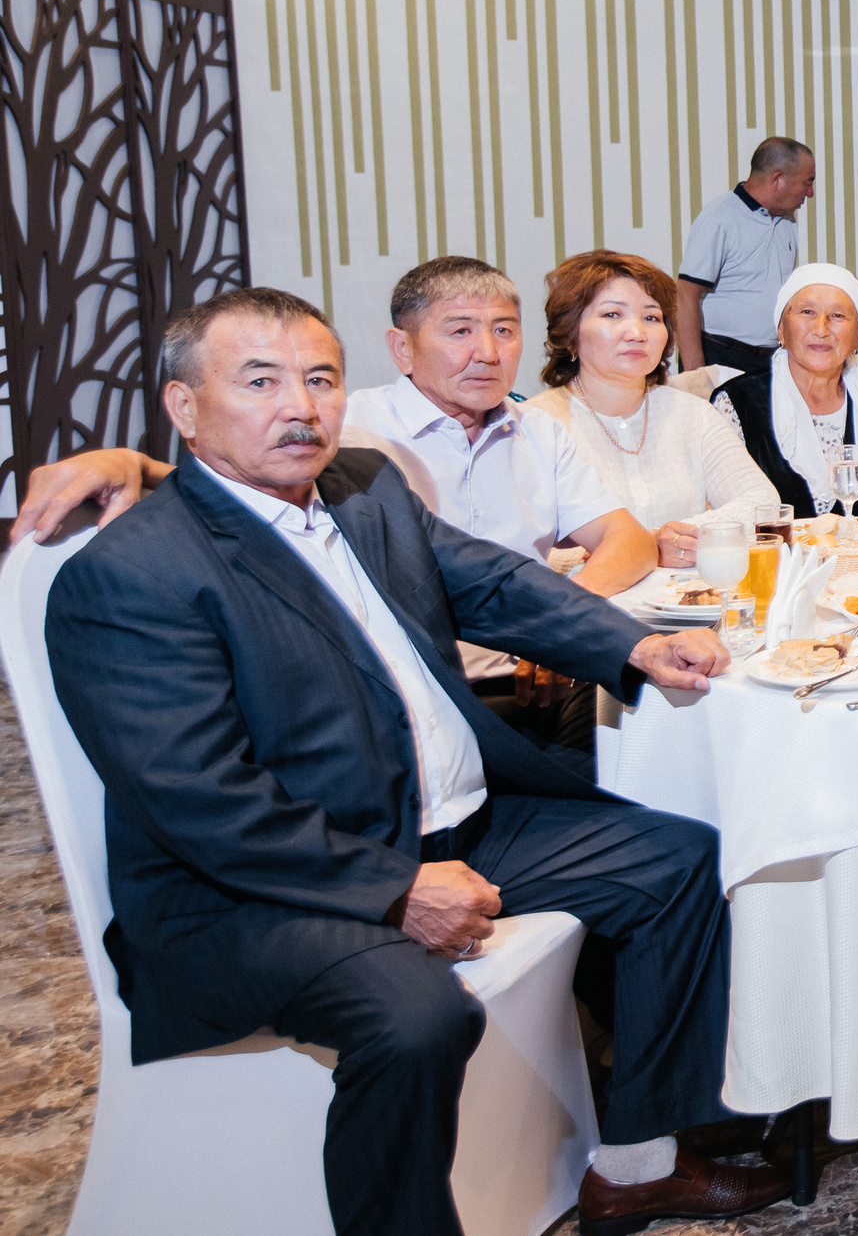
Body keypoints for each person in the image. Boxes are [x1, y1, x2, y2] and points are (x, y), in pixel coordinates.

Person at [41, 288, 784, 1236]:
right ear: (185, 408)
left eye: (320, 379)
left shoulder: (362, 487)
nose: (299, 407)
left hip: (449, 822)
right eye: (260, 381)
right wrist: (395, 888)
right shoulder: (132, 572)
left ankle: (638, 1162)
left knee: (679, 860)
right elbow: (203, 804)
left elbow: (493, 580)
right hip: (261, 891)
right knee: (415, 1017)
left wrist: (630, 647)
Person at [9, 256, 660, 753]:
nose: (487, 352)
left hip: (538, 673)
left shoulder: (535, 429)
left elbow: (626, 540)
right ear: (402, 347)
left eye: (503, 331)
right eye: (460, 330)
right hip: (413, 688)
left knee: (660, 730)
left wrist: (550, 639)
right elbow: (235, 476)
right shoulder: (347, 429)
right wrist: (126, 463)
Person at [521, 251, 779, 571]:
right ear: (569, 334)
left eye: (651, 317)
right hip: (588, 608)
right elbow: (521, 555)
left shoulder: (692, 414)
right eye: (612, 315)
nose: (637, 333)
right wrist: (640, 550)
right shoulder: (534, 424)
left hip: (693, 604)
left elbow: (763, 503)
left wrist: (665, 540)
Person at [714, 263, 858, 518]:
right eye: (807, 312)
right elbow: (721, 516)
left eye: (838, 316)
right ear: (781, 329)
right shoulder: (736, 404)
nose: (821, 329)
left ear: (857, 339)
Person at [674, 135, 815, 373]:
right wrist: (695, 373)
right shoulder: (719, 218)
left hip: (769, 360)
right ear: (777, 179)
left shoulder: (788, 221)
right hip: (719, 356)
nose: (810, 193)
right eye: (807, 182)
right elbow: (685, 295)